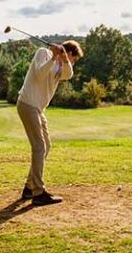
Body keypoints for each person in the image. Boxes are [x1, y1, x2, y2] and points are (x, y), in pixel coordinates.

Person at [16, 40, 83, 206]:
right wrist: (53, 56)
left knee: (46, 146)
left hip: (38, 109)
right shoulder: (43, 53)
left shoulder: (62, 66)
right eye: (73, 59)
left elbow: (69, 74)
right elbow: (39, 74)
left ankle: (29, 188)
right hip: (27, 103)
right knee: (39, 147)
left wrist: (64, 59)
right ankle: (38, 193)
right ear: (70, 52)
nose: (72, 62)